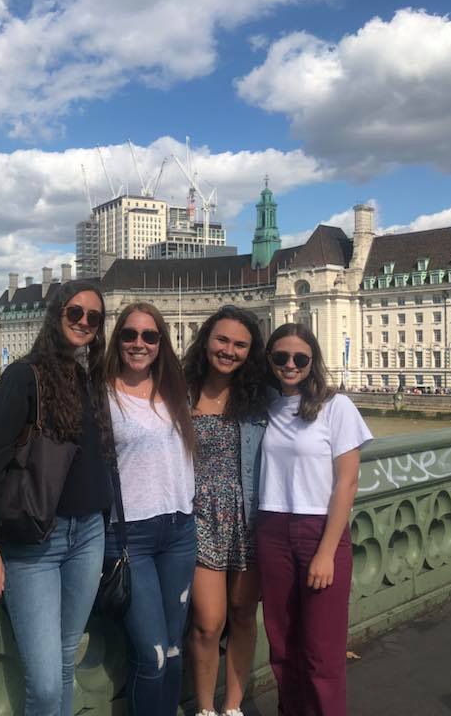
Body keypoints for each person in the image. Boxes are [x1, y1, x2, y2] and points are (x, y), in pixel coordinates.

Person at [0, 280, 113, 716]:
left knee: (65, 660)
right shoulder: (21, 376)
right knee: (46, 683)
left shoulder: (86, 378)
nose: (84, 322)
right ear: (56, 315)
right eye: (75, 313)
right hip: (35, 543)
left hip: (88, 534)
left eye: (94, 317)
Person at [256, 322, 372, 716]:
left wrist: (325, 552)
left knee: (322, 654)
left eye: (300, 358)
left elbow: (347, 482)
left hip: (319, 532)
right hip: (271, 530)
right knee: (283, 645)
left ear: (312, 362)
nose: (290, 364)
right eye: (280, 357)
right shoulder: (265, 407)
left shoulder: (336, 407)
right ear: (269, 360)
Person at [104, 302, 197, 716]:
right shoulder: (101, 394)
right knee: (153, 655)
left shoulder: (177, 391)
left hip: (180, 530)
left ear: (161, 343)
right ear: (117, 340)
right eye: (129, 335)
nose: (139, 344)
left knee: (175, 650)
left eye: (149, 336)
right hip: (130, 538)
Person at [183, 306, 271, 716]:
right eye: (222, 340)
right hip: (199, 517)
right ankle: (204, 708)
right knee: (208, 621)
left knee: (241, 613)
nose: (229, 351)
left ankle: (233, 706)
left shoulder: (260, 399)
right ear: (206, 341)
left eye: (240, 344)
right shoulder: (179, 391)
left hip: (249, 516)